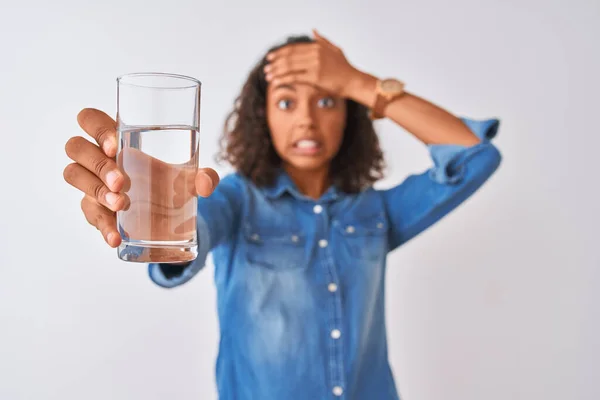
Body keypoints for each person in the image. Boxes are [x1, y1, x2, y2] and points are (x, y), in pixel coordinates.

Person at [64, 30, 502, 400]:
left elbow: (475, 155)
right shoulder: (235, 199)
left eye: (328, 101)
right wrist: (148, 211)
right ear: (263, 117)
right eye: (288, 103)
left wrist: (359, 82)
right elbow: (185, 240)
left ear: (350, 116)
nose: (308, 120)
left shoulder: (375, 209)